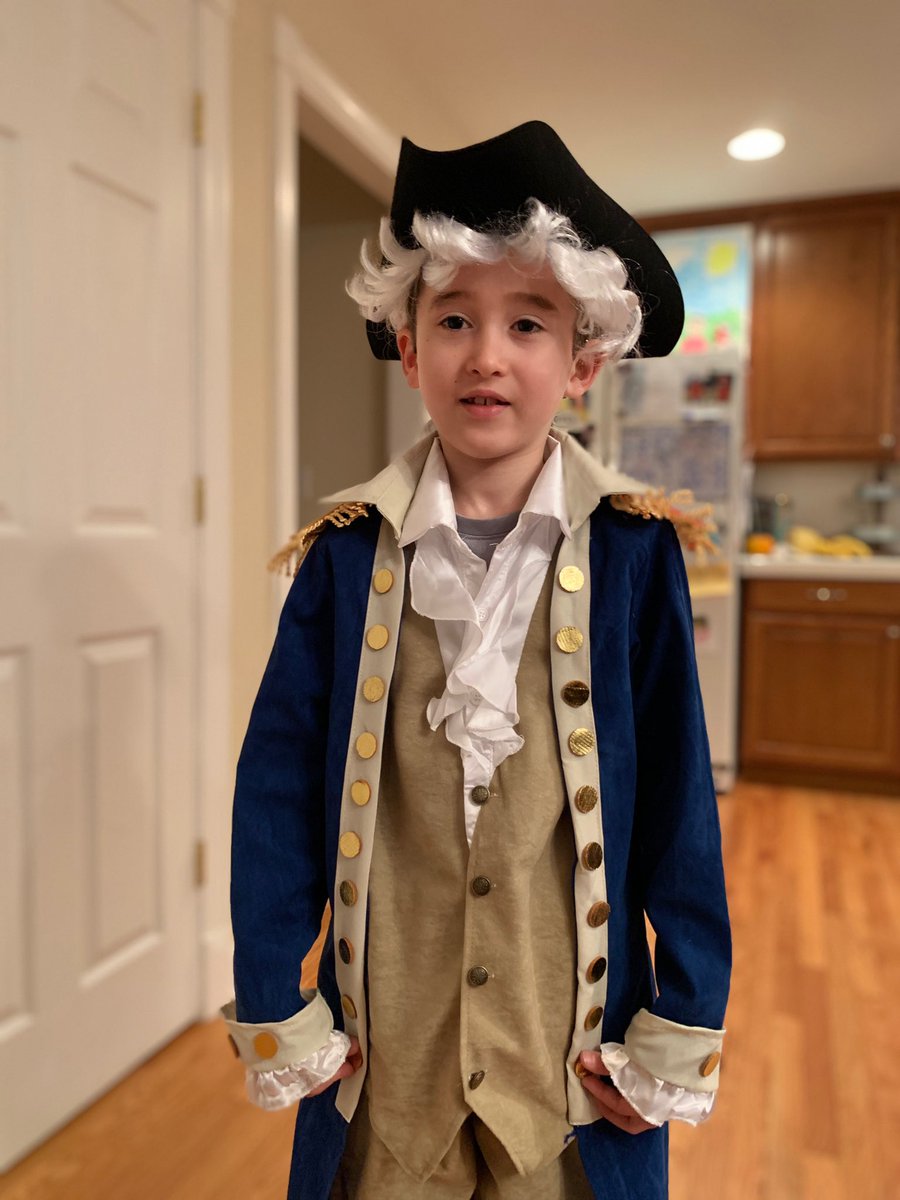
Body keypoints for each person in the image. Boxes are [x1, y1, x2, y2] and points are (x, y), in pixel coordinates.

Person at [223, 122, 731, 1200]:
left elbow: (681, 800)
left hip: (566, 1070)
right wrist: (277, 998)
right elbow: (276, 788)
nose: (486, 354)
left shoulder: (636, 552)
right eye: (453, 318)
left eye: (528, 322)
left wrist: (678, 1023)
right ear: (409, 349)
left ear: (582, 361)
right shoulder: (343, 556)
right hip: (387, 1070)